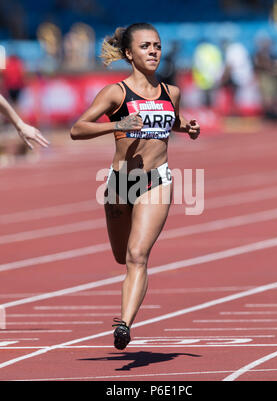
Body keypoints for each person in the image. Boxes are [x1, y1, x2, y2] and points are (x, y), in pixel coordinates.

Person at [70, 23, 200, 350]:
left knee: (137, 255)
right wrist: (118, 124)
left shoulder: (173, 92)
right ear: (129, 54)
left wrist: (189, 127)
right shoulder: (117, 92)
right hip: (119, 184)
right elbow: (77, 129)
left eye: (156, 46)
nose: (153, 51)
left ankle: (125, 324)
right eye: (145, 46)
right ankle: (127, 306)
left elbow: (174, 120)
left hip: (157, 180)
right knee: (121, 256)